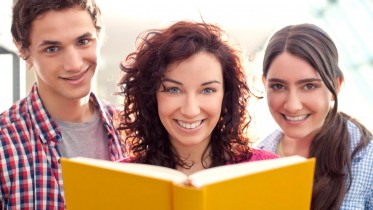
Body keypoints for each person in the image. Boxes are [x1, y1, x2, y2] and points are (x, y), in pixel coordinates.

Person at [0, 0, 125, 209]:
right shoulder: (3, 143)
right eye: (52, 48)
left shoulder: (131, 129)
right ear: (22, 49)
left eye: (83, 41)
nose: (74, 64)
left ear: (99, 36)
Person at [117, 21, 278, 175]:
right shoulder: (120, 177)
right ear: (151, 95)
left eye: (207, 90)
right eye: (174, 89)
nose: (190, 110)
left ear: (226, 96)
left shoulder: (267, 170)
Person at [256, 23, 373, 210]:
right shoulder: (258, 156)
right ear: (265, 84)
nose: (293, 105)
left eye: (309, 86)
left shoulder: (366, 157)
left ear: (335, 86)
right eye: (278, 86)